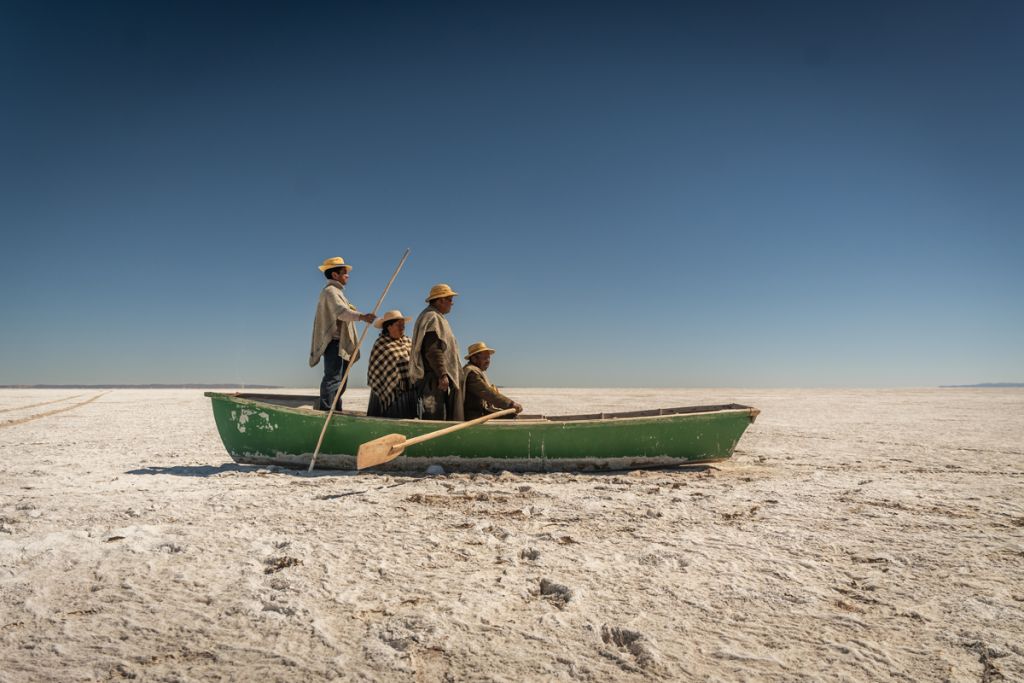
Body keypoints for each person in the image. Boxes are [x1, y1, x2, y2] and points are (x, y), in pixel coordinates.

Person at [309, 256, 375, 411]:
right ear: (334, 275)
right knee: (334, 379)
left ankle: (334, 410)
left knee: (341, 381)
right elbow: (341, 313)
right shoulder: (330, 292)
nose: (348, 275)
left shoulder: (337, 292)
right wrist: (362, 317)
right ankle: (326, 411)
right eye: (344, 272)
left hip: (340, 345)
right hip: (335, 344)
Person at [409, 284, 464, 421]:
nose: (452, 303)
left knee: (436, 415)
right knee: (435, 417)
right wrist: (442, 374)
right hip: (433, 378)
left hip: (434, 377)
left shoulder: (434, 316)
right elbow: (433, 350)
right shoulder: (432, 317)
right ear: (440, 300)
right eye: (450, 299)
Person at [366, 310, 417, 418]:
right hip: (389, 391)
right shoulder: (381, 344)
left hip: (410, 390)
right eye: (399, 325)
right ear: (388, 327)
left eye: (403, 325)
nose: (402, 328)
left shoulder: (408, 341)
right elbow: (376, 370)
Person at [461, 341, 523, 421]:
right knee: (512, 417)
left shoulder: (477, 371)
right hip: (475, 416)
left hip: (481, 412)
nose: (488, 361)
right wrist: (511, 404)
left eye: (489, 358)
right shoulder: (472, 373)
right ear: (474, 359)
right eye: (485, 358)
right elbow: (487, 393)